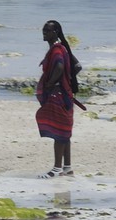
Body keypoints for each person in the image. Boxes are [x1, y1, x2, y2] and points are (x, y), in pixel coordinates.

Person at [36, 19, 85, 177]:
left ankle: (57, 169)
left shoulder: (57, 50)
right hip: (65, 94)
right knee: (65, 132)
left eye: (48, 30)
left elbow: (59, 67)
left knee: (59, 133)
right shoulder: (62, 48)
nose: (44, 33)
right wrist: (67, 81)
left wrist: (51, 83)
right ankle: (67, 168)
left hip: (58, 95)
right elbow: (76, 66)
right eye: (43, 30)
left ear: (56, 32)